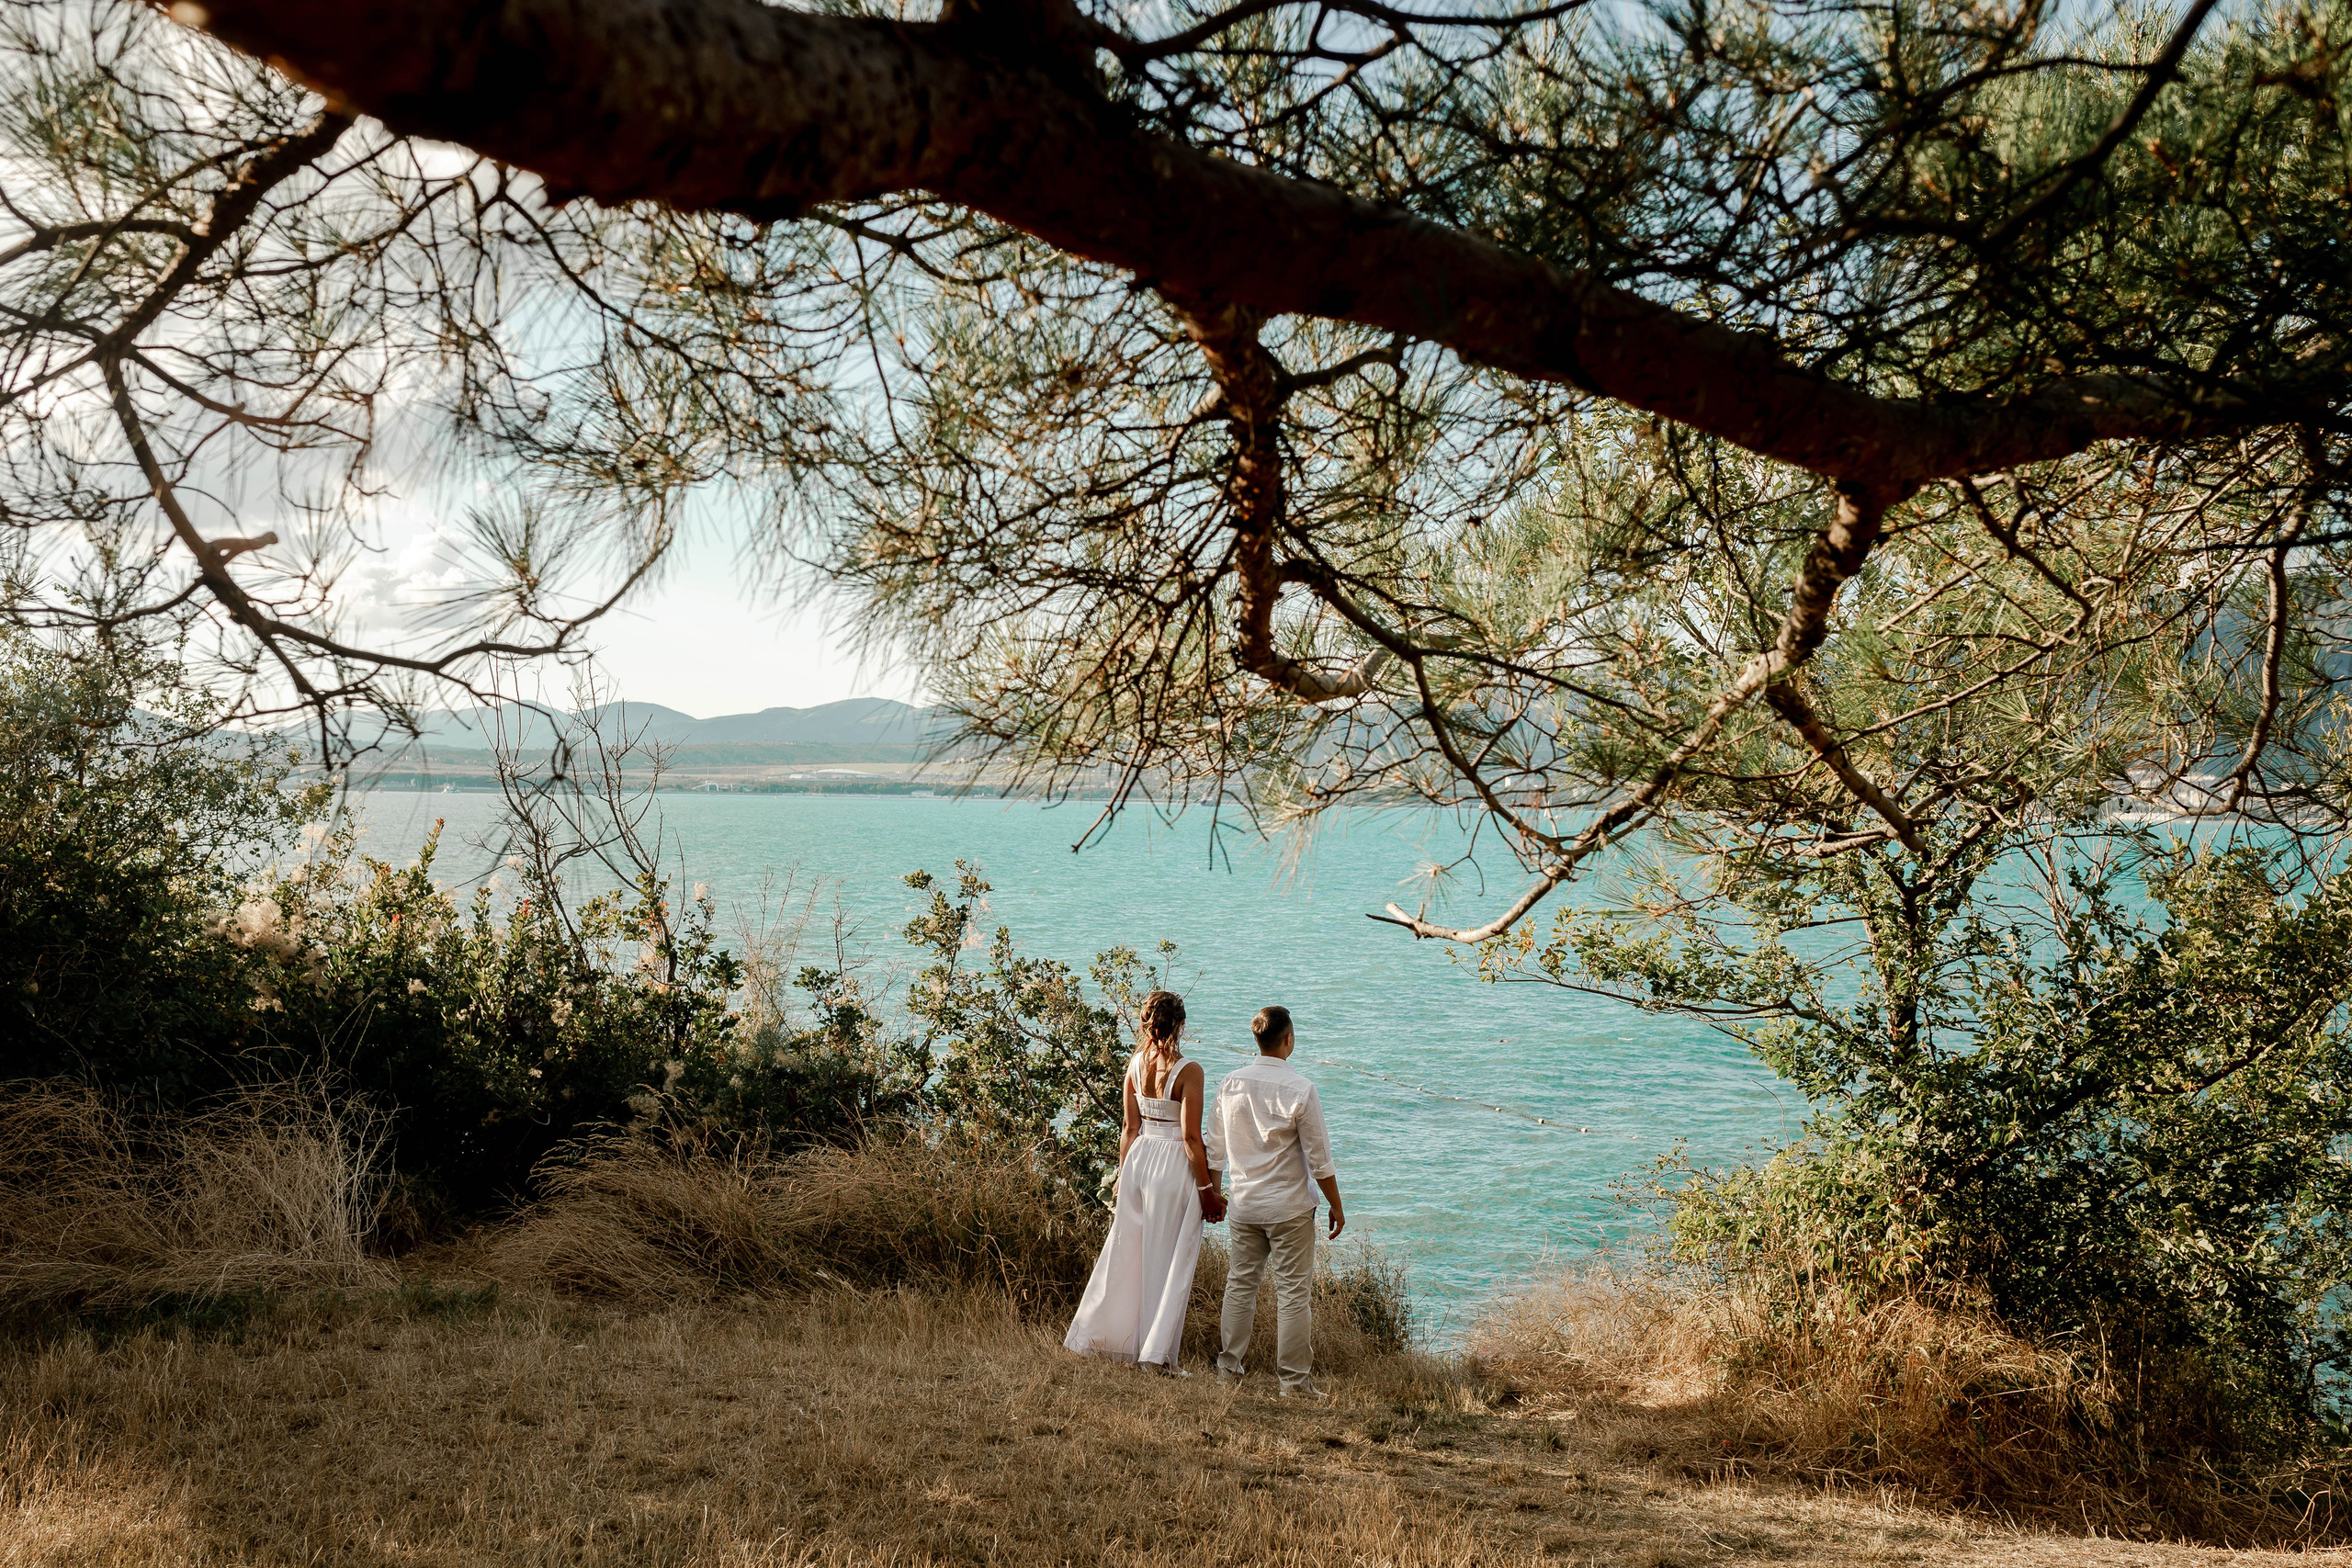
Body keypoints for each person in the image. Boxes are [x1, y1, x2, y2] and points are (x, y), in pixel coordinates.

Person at [1063, 989, 1227, 1370]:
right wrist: (1208, 1191)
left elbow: (1129, 1127)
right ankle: (1158, 1356)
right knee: (1170, 1261)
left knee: (1130, 1255)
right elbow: (1190, 1138)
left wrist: (1123, 1177)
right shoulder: (1189, 1071)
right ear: (1181, 1025)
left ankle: (1120, 1341)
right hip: (1172, 1166)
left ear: (1145, 1022)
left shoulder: (1135, 1064)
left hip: (1138, 1162)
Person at [1204, 1004, 1343, 1397]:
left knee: (1240, 1286)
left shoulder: (1229, 1083)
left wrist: (1215, 1194)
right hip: (1289, 1208)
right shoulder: (1300, 1088)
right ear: (1289, 1040)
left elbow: (1214, 1149)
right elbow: (1319, 1157)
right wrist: (1336, 1204)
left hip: (1245, 1205)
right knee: (1293, 1293)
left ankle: (1228, 1370)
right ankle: (1293, 1383)